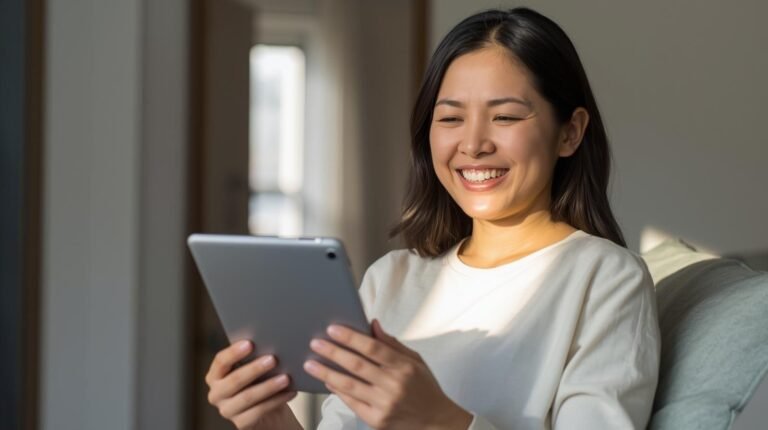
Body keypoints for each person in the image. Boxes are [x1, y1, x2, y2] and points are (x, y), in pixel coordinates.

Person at [204, 7, 660, 430]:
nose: (473, 143)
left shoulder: (606, 278)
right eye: (450, 119)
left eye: (504, 116)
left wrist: (436, 419)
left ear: (571, 132)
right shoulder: (391, 279)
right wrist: (269, 419)